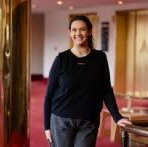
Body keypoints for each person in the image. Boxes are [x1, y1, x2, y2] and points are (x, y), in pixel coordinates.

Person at [44, 15, 131, 147]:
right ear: (70, 33)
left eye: (82, 29)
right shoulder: (61, 59)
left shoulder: (100, 58)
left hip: (89, 120)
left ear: (90, 31)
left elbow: (106, 89)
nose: (78, 33)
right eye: (74, 30)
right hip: (62, 119)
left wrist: (117, 117)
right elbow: (49, 94)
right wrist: (46, 127)